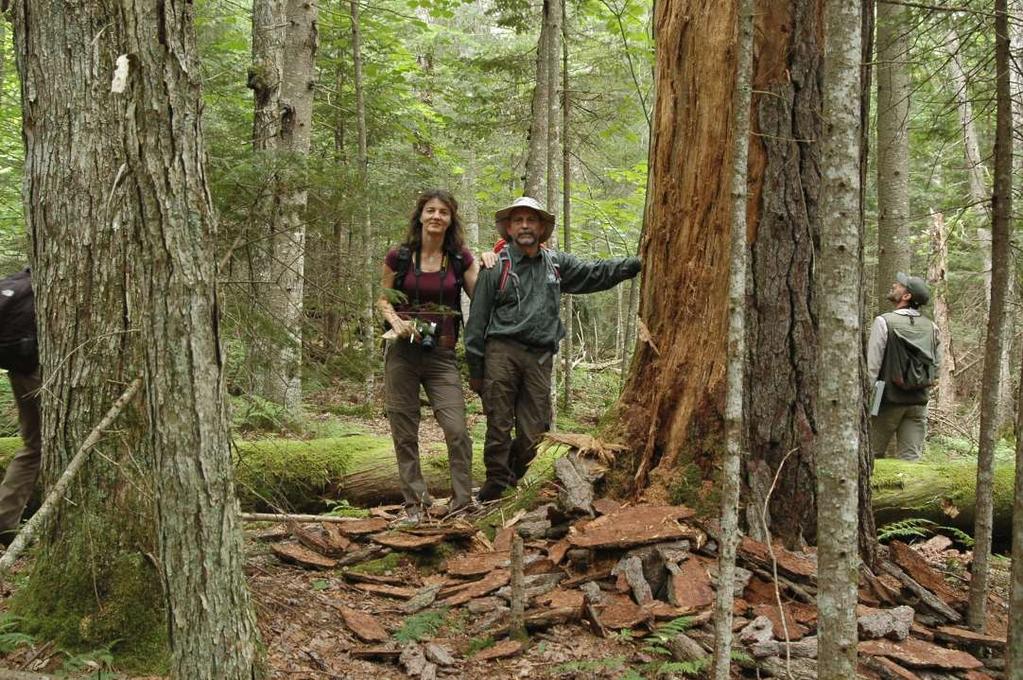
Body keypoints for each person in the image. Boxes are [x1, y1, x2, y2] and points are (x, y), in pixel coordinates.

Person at [465, 196, 641, 501]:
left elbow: (593, 273)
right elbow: (476, 322)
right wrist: (476, 371)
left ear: (541, 227)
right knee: (499, 423)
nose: (524, 225)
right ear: (508, 227)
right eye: (518, 220)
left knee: (535, 431)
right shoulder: (496, 267)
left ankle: (513, 477)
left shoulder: (555, 264)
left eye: (531, 220)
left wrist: (633, 266)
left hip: (540, 357)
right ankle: (496, 486)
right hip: (501, 352)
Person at [377, 190, 480, 521]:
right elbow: (383, 299)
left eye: (444, 212)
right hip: (401, 353)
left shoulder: (460, 258)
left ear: (451, 219)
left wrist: (491, 260)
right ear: (420, 216)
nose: (437, 217)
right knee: (404, 430)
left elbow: (481, 293)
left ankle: (462, 502)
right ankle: (415, 504)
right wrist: (396, 320)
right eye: (431, 211)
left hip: (442, 355)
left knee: (457, 429)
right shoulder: (400, 256)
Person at [867, 272, 940, 461]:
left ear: (906, 296)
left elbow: (872, 368)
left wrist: (866, 399)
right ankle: (907, 490)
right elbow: (935, 365)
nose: (894, 285)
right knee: (911, 460)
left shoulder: (883, 322)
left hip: (886, 400)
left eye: (899, 285)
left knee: (871, 456)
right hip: (918, 402)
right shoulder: (931, 326)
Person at [0, 268, 41, 546]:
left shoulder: (17, 282)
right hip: (39, 370)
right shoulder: (43, 283)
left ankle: (3, 521)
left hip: (19, 369)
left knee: (32, 447)